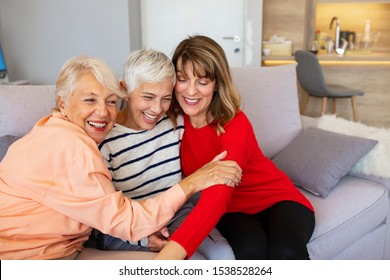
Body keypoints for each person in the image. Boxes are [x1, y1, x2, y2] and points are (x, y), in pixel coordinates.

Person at [0, 54, 242, 260]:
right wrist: (194, 182)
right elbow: (124, 222)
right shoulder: (77, 149)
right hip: (30, 256)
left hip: (60, 247)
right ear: (63, 102)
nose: (103, 112)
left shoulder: (52, 128)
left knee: (219, 254)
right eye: (89, 100)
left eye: (110, 102)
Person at [156, 35, 315, 260]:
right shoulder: (172, 122)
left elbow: (220, 189)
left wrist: (168, 257)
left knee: (285, 251)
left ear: (217, 84)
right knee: (250, 250)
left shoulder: (234, 123)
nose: (190, 92)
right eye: (183, 79)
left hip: (278, 200)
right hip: (232, 211)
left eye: (202, 82)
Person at [94, 49, 235, 259]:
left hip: (177, 214)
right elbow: (103, 215)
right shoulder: (106, 141)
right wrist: (142, 238)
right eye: (148, 97)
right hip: (129, 227)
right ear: (125, 89)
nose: (157, 108)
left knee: (224, 256)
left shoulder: (173, 122)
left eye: (165, 98)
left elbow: (206, 111)